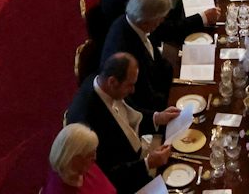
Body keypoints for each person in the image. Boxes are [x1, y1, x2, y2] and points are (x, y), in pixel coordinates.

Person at [65, 53, 177, 192]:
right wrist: (148, 163)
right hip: (126, 180)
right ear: (112, 82)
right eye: (129, 85)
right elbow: (107, 174)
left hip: (137, 154)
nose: (133, 90)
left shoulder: (102, 83)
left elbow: (129, 114)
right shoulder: (89, 123)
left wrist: (157, 117)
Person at [99, 0, 177, 114]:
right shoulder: (126, 52)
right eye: (160, 19)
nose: (162, 21)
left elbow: (156, 61)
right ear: (145, 23)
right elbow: (142, 96)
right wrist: (174, 100)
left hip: (158, 86)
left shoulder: (132, 22)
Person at [44, 123, 115, 194]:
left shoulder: (79, 168)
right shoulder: (58, 190)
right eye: (90, 155)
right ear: (75, 160)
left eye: (94, 152)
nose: (95, 158)